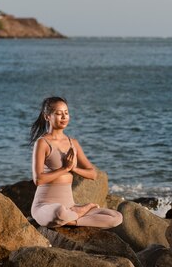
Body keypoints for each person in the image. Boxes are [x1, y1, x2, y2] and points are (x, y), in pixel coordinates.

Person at [29, 96, 123, 228]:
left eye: (66, 113)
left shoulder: (73, 143)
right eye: (58, 113)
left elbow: (93, 174)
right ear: (47, 117)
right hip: (45, 206)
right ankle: (82, 211)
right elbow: (38, 179)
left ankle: (74, 217)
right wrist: (65, 169)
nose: (64, 117)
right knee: (59, 213)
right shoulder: (42, 143)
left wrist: (73, 169)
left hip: (70, 206)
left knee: (117, 217)